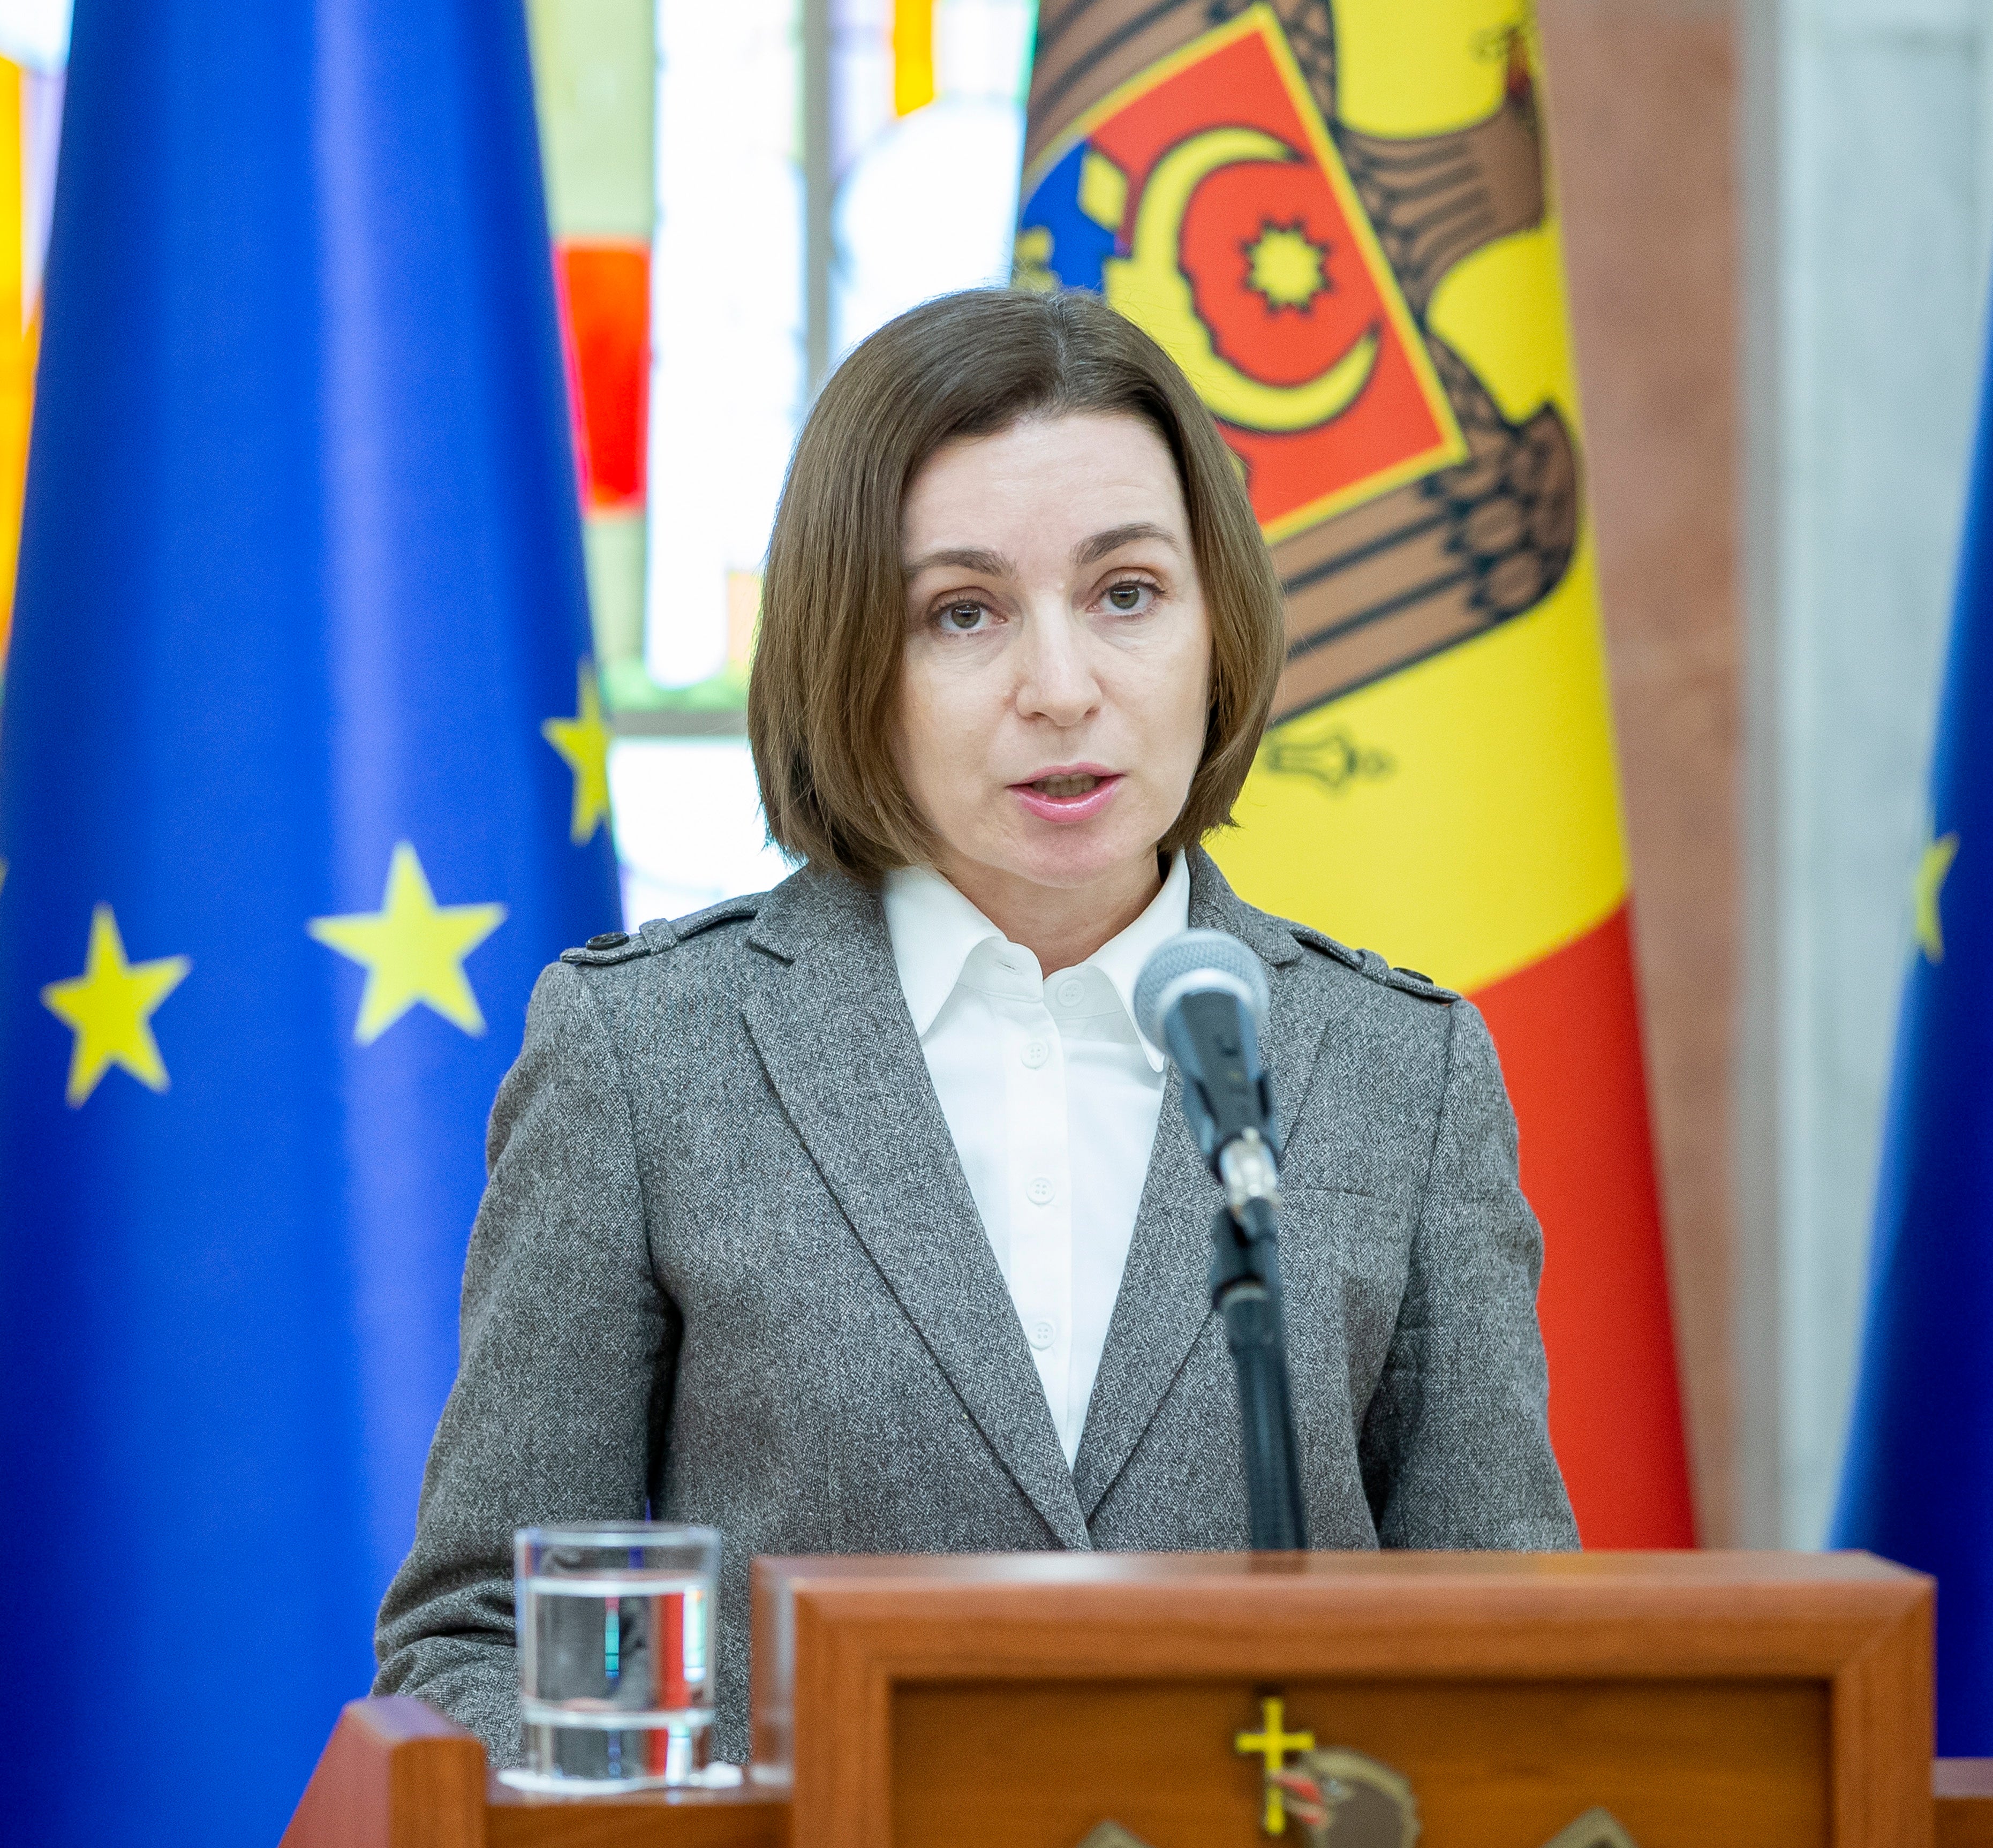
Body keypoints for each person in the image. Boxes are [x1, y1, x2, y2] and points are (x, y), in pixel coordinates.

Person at [372, 288, 1577, 1766]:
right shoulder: (647, 1056)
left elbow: (1505, 1645)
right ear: (847, 660)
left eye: (1126, 594)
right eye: (961, 613)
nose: (1061, 691)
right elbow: (480, 1633)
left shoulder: (1404, 1069)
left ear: (1217, 628)